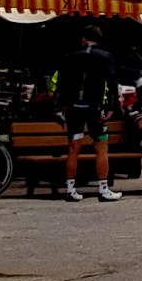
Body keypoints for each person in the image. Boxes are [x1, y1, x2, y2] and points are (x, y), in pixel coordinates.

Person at [61, 27, 118, 201]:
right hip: (95, 107)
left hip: (74, 106)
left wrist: (63, 104)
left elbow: (63, 82)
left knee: (74, 147)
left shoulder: (71, 56)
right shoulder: (105, 57)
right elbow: (111, 83)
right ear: (99, 40)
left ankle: (70, 188)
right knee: (101, 146)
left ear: (84, 39)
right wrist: (111, 107)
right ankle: (103, 188)